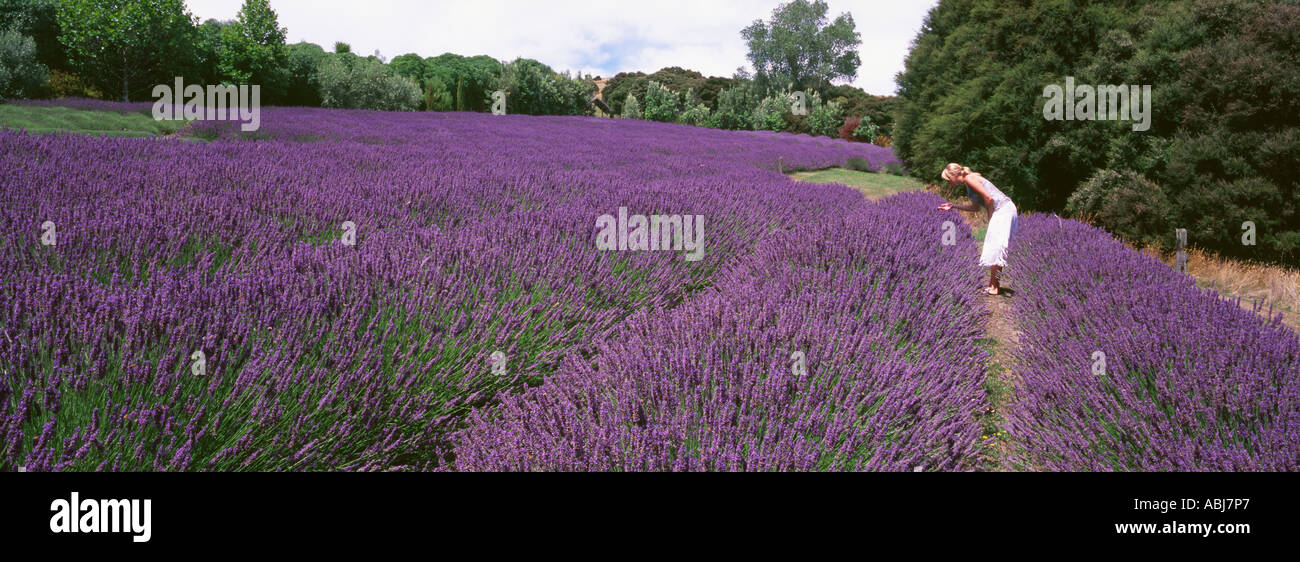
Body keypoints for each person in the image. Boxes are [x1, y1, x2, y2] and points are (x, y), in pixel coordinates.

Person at [936, 163, 1018, 295]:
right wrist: (953, 206)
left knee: (998, 249)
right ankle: (994, 284)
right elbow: (975, 207)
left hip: (1003, 210)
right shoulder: (970, 181)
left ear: (955, 175)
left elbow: (988, 198)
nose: (948, 182)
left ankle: (994, 286)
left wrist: (991, 217)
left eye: (948, 179)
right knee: (998, 250)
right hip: (1005, 209)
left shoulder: (969, 178)